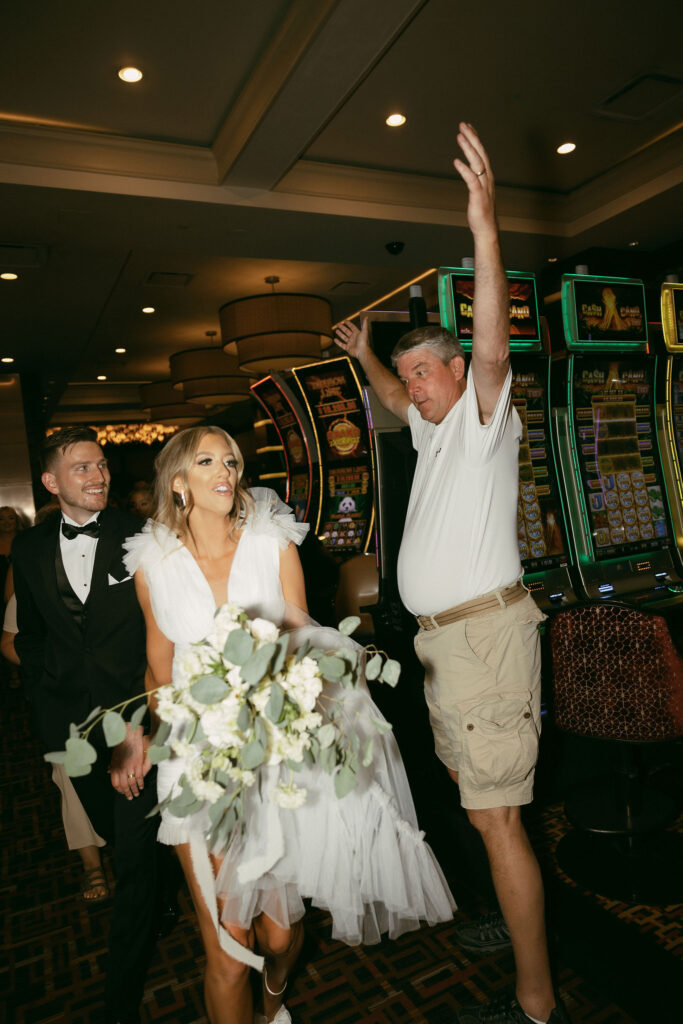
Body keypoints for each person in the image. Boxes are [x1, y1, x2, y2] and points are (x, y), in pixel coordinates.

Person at [335, 123, 568, 1024]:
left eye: (424, 370)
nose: (413, 388)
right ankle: (515, 939)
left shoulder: (482, 411)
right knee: (480, 814)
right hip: (446, 647)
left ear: (457, 370)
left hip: (483, 640)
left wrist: (484, 226)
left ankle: (537, 1001)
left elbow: (492, 336)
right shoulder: (434, 427)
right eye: (408, 377)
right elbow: (393, 401)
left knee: (500, 820)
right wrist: (367, 357)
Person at [124, 425, 455, 1024]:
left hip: (274, 755)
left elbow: (310, 639)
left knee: (278, 941)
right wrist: (151, 733)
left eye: (232, 460)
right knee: (230, 947)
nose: (226, 471)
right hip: (197, 762)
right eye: (207, 462)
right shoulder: (153, 564)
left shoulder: (271, 543)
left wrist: (294, 684)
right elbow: (158, 669)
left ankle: (272, 1005)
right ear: (179, 483)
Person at [12, 426, 159, 1024]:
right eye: (81, 468)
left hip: (140, 722)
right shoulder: (28, 549)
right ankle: (158, 896)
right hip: (71, 726)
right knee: (120, 840)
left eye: (100, 465)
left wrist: (140, 721)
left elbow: (164, 637)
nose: (98, 475)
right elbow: (33, 637)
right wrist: (51, 717)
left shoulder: (142, 536)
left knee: (137, 857)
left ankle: (118, 997)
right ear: (51, 482)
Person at [1, 588, 109, 901]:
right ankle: (93, 867)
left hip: (115, 693)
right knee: (68, 776)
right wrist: (57, 662)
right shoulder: (31, 583)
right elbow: (8, 644)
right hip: (61, 699)